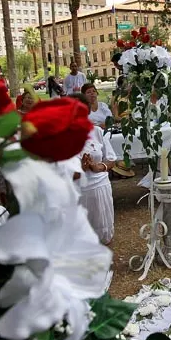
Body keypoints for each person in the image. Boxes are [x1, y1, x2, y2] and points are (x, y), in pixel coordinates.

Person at [69, 93, 117, 245]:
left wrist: (99, 167)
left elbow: (111, 159)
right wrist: (81, 170)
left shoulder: (97, 131)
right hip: (79, 190)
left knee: (104, 238)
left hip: (101, 187)